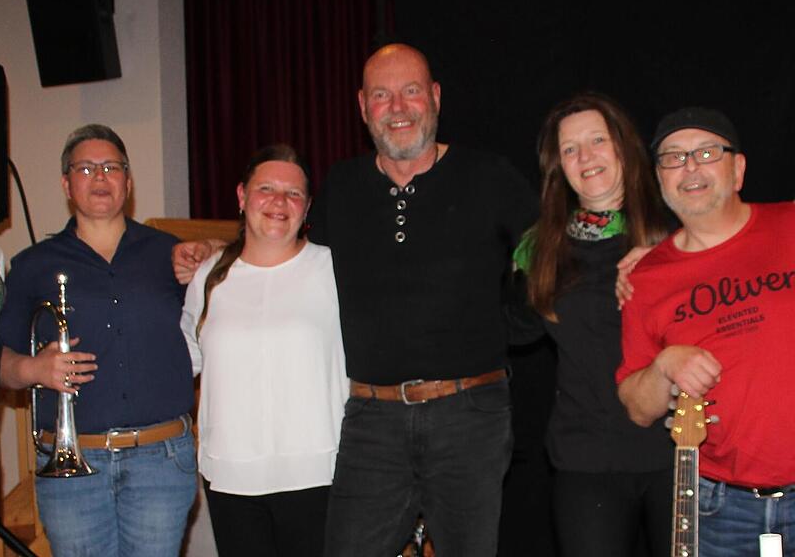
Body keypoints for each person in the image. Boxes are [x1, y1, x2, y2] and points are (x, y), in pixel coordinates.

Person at [174, 43, 538, 556]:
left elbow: (546, 255)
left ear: (434, 97)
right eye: (382, 95)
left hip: (469, 416)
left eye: (411, 91)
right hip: (371, 421)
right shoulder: (343, 187)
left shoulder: (489, 176)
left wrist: (519, 323)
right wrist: (218, 250)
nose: (398, 107)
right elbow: (282, 246)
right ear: (362, 107)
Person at [0, 124, 196, 556]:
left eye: (111, 167)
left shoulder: (172, 254)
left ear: (128, 180)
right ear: (67, 184)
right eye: (85, 169)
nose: (100, 177)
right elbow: (0, 362)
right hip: (73, 472)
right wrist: (32, 368)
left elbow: (235, 280)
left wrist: (211, 249)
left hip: (160, 462)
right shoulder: (33, 265)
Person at [616, 107, 795, 556]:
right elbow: (637, 408)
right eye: (673, 158)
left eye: (706, 152)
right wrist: (664, 366)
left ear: (738, 169)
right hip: (720, 509)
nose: (689, 166)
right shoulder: (646, 278)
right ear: (659, 180)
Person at [509, 92, 672, 556]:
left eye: (597, 140)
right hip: (586, 457)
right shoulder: (541, 247)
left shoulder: (674, 224)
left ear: (622, 147)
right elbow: (515, 333)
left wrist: (668, 260)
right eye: (570, 149)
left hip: (677, 451)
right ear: (557, 165)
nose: (586, 157)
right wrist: (524, 274)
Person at [180, 144, 347, 556]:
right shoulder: (208, 274)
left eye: (293, 194)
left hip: (317, 475)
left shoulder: (334, 268)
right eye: (266, 189)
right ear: (241, 196)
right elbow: (183, 361)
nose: (278, 202)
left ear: (308, 207)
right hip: (231, 476)